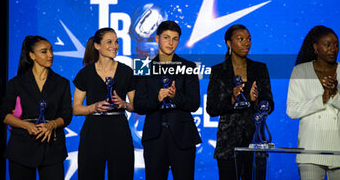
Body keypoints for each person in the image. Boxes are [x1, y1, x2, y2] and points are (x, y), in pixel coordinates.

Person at [134, 20, 201, 180]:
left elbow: (194, 103)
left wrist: (175, 96)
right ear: (157, 38)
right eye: (166, 37)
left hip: (183, 136)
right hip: (154, 137)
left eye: (175, 38)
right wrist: (158, 97)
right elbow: (139, 105)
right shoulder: (143, 67)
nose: (171, 43)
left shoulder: (188, 66)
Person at [206, 24, 274, 180]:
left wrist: (256, 102)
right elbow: (212, 108)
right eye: (241, 39)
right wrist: (232, 98)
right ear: (229, 43)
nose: (246, 43)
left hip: (255, 141)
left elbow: (270, 103)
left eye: (249, 39)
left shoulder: (259, 68)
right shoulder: (219, 71)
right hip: (228, 145)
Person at [0, 36, 72, 180]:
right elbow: (3, 114)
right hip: (21, 146)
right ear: (32, 55)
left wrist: (52, 124)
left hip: (53, 147)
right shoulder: (16, 83)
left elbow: (67, 114)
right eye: (44, 51)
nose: (50, 55)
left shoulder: (62, 83)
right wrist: (26, 125)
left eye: (51, 51)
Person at [73, 28, 135, 180]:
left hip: (119, 130)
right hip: (93, 131)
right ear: (97, 46)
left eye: (116, 42)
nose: (114, 46)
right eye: (109, 42)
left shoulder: (126, 71)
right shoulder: (85, 74)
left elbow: (136, 105)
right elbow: (76, 109)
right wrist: (93, 107)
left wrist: (124, 104)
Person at [287, 26, 340, 180]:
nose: (333, 49)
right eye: (327, 45)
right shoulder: (300, 71)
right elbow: (292, 110)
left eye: (336, 45)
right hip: (311, 149)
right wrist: (322, 99)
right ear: (316, 47)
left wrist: (335, 94)